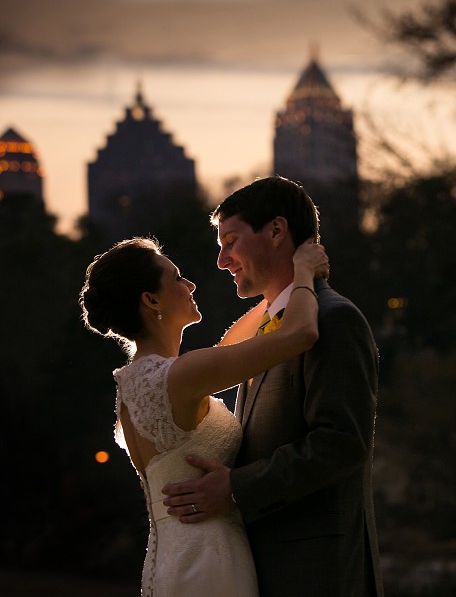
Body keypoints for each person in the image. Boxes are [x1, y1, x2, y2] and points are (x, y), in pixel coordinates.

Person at [161, 176, 384, 597]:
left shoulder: (333, 320)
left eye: (231, 240)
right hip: (262, 566)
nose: (222, 260)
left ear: (277, 230)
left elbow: (342, 442)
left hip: (318, 572)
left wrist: (236, 487)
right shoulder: (270, 328)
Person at [80, 235, 328, 596]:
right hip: (209, 556)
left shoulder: (138, 380)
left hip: (172, 555)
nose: (191, 284)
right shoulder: (179, 376)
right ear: (151, 300)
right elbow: (301, 333)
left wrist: (280, 285)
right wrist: (304, 273)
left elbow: (231, 347)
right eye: (177, 278)